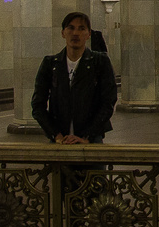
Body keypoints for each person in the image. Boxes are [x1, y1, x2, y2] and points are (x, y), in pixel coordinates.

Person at [31, 11, 118, 143]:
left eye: (81, 28)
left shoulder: (100, 62)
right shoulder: (51, 64)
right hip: (60, 140)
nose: (75, 33)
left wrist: (86, 136)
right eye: (71, 28)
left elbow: (108, 102)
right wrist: (56, 135)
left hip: (91, 140)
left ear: (88, 34)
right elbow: (38, 105)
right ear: (63, 33)